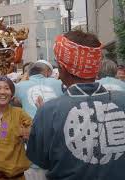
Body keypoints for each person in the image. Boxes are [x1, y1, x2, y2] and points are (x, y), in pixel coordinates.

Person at [27, 30, 125, 180]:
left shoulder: (49, 111)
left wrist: (45, 120)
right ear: (96, 67)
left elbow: (42, 160)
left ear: (63, 67)